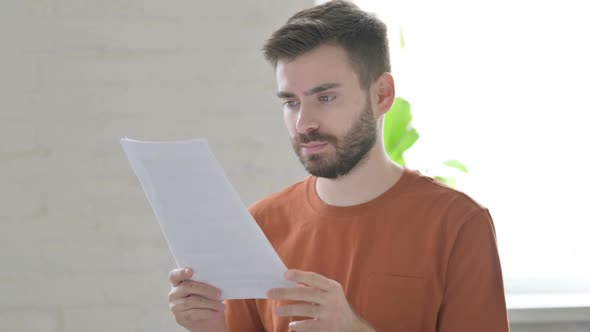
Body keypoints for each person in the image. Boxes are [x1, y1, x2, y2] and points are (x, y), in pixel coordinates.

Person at [167, 1, 509, 331]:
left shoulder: (458, 224)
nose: (304, 122)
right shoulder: (259, 225)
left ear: (382, 96)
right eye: (291, 102)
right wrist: (211, 328)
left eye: (325, 97)